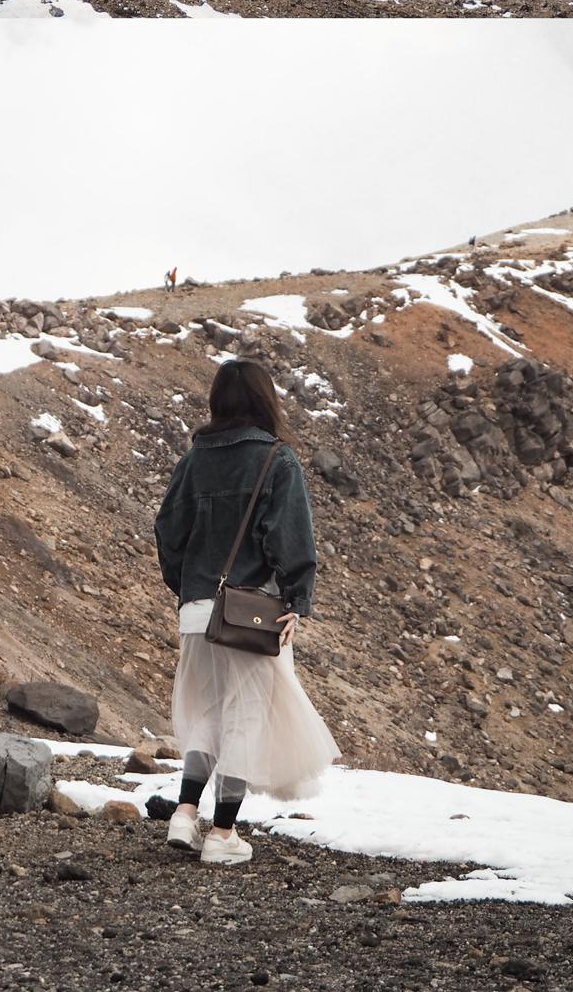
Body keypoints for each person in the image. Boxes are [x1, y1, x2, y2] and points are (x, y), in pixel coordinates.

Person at [153, 358, 338, 866]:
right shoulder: (278, 460)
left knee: (206, 712)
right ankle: (223, 833)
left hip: (196, 610)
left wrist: (188, 588)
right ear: (264, 400)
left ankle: (184, 813)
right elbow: (293, 539)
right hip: (252, 613)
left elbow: (168, 531)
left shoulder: (194, 460)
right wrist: (297, 600)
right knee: (245, 717)